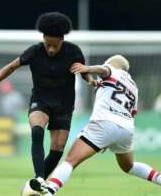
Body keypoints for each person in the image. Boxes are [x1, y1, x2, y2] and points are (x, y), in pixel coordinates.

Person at [0, 12, 96, 193]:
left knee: (58, 148)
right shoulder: (35, 51)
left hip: (64, 105)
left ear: (62, 39)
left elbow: (83, 71)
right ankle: (39, 178)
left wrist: (90, 79)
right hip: (41, 100)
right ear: (43, 38)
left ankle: (33, 187)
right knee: (37, 130)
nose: (50, 49)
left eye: (54, 45)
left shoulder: (73, 51)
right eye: (47, 44)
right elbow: (10, 67)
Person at [39, 55, 161, 196]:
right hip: (127, 128)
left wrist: (88, 68)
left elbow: (104, 69)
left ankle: (48, 192)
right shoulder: (134, 86)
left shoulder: (112, 69)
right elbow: (133, 111)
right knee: (129, 166)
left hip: (105, 122)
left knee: (70, 160)